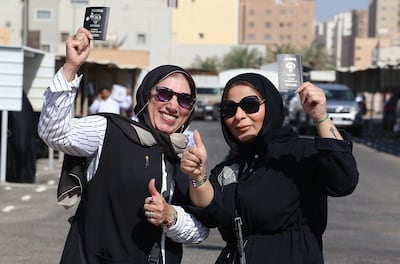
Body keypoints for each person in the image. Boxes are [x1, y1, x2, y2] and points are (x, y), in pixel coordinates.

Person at [38, 27, 208, 264]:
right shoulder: (109, 131)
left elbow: (201, 231)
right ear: (146, 94)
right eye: (164, 94)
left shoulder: (185, 155)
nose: (173, 105)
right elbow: (54, 133)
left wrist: (171, 216)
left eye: (184, 99)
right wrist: (71, 67)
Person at [181, 73, 359, 264]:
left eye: (250, 105)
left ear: (271, 105)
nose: (239, 116)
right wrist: (197, 175)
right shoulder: (232, 167)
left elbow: (343, 181)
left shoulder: (300, 152)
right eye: (229, 109)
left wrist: (321, 117)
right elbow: (210, 211)